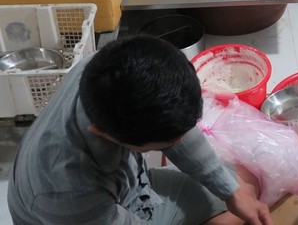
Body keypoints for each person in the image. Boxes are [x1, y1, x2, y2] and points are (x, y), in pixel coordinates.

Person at [7, 35, 272, 225]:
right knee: (233, 216)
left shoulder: (111, 64)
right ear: (103, 133)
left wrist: (231, 191)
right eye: (158, 146)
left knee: (244, 186)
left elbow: (175, 125)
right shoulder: (66, 191)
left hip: (128, 191)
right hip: (88, 215)